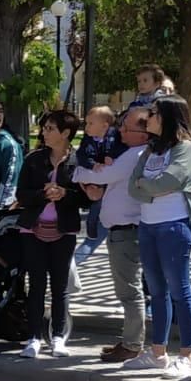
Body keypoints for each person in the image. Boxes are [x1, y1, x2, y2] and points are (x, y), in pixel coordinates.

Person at [125, 95, 191, 379]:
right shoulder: (150, 151)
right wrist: (152, 187)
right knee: (156, 292)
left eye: (156, 113)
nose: (150, 118)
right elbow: (132, 188)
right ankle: (158, 353)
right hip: (147, 226)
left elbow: (170, 181)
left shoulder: (185, 148)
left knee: (180, 290)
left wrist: (148, 186)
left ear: (170, 117)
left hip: (175, 226)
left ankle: (187, 356)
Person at [74, 106, 153, 363]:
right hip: (122, 230)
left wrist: (76, 173)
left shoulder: (135, 155)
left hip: (127, 231)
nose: (120, 131)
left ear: (143, 133)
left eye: (127, 128)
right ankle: (130, 339)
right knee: (127, 290)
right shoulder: (131, 153)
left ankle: (132, 344)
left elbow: (104, 174)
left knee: (129, 291)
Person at [15, 110, 86, 357]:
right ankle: (33, 338)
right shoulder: (34, 159)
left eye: (49, 129)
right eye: (44, 128)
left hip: (63, 231)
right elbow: (21, 194)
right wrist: (43, 194)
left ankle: (58, 337)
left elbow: (86, 198)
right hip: (32, 229)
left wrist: (65, 194)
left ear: (65, 133)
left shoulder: (79, 160)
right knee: (36, 284)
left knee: (60, 286)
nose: (44, 133)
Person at [71, 106, 118, 268]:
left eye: (91, 123)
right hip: (94, 183)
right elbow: (82, 157)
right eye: (87, 123)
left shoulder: (115, 138)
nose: (87, 127)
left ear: (105, 126)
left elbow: (118, 154)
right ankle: (91, 230)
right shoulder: (88, 139)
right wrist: (92, 165)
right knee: (94, 215)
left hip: (109, 191)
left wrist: (110, 157)